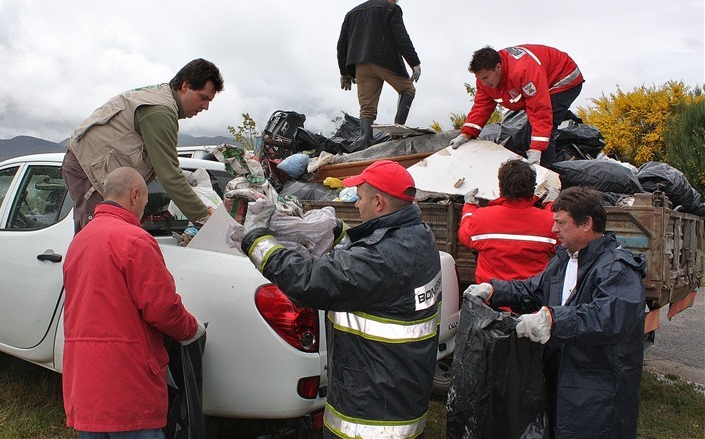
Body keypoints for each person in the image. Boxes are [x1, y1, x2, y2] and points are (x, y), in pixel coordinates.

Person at [240, 160, 441, 438]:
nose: (356, 205)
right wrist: (329, 229)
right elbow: (370, 248)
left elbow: (308, 280)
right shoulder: (418, 235)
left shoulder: (383, 259)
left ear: (379, 202)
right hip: (399, 389)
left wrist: (256, 239)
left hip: (370, 413)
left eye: (359, 199)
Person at [465, 187, 646, 437]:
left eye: (561, 223)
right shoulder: (565, 260)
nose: (554, 230)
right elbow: (534, 290)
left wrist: (552, 320)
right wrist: (494, 290)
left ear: (587, 224)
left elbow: (608, 317)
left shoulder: (617, 268)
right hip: (562, 379)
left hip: (597, 388)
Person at [62, 166, 206, 438]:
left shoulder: (79, 240)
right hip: (127, 381)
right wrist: (191, 331)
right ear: (135, 195)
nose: (144, 209)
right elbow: (162, 307)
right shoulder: (135, 240)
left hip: (85, 380)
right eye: (144, 201)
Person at [63, 58, 225, 232]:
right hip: (90, 171)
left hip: (94, 167)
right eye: (203, 97)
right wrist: (205, 219)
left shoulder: (161, 99)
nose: (206, 106)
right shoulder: (160, 111)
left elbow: (159, 165)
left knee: (106, 238)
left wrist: (186, 177)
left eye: (209, 101)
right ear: (185, 86)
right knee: (100, 240)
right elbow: (168, 174)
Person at [450, 45, 584, 168]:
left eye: (486, 78)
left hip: (563, 79)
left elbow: (539, 109)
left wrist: (537, 149)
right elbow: (481, 107)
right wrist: (466, 134)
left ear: (498, 67)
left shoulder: (523, 70)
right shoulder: (484, 81)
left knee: (538, 137)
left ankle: (544, 178)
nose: (483, 83)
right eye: (480, 79)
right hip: (541, 84)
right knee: (525, 139)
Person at [337, 0, 422, 149]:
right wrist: (414, 63)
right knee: (408, 90)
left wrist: (344, 73)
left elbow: (342, 45)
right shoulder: (391, 8)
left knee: (367, 108)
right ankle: (398, 131)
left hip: (361, 65)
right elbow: (401, 35)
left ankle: (365, 140)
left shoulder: (351, 13)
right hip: (386, 60)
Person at [459, 159, 558, 284]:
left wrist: (469, 205)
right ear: (532, 188)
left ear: (501, 187)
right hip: (532, 296)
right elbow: (559, 242)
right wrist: (551, 205)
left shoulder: (481, 218)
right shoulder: (550, 221)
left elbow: (465, 236)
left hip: (490, 296)